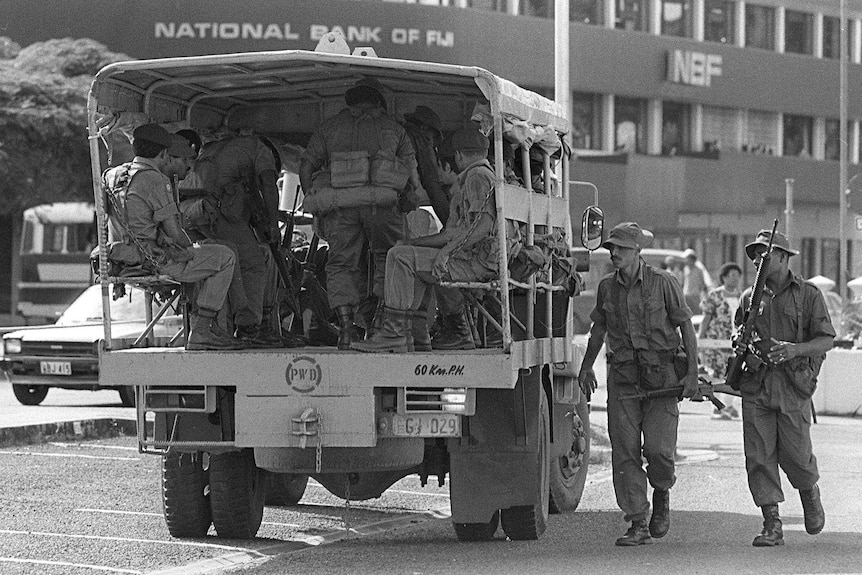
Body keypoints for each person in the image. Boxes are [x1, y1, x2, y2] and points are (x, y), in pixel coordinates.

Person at [577, 222, 699, 547]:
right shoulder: (606, 288)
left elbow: (686, 326)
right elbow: (598, 331)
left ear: (637, 251)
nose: (614, 253)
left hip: (662, 377)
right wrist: (587, 367)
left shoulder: (664, 283)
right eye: (611, 248)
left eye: (621, 248)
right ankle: (637, 521)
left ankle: (661, 491)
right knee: (625, 453)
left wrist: (692, 374)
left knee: (659, 451)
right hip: (624, 380)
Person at [351, 125, 497, 353]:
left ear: (458, 155)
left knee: (399, 258)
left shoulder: (477, 177)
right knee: (405, 252)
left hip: (473, 263)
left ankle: (395, 333)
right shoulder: (481, 176)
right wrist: (413, 243)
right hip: (472, 258)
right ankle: (417, 335)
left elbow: (482, 227)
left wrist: (446, 252)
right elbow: (452, 233)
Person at [299, 78, 418, 349]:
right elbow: (412, 173)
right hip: (383, 207)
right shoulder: (393, 129)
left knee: (341, 263)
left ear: (348, 102)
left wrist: (315, 201)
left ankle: (345, 331)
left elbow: (306, 167)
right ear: (377, 102)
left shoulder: (329, 128)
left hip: (340, 207)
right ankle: (378, 327)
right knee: (388, 260)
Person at [735, 229, 833, 547]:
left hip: (793, 386)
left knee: (797, 457)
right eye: (754, 254)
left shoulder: (809, 294)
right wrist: (744, 350)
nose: (756, 260)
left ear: (782, 257)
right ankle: (771, 523)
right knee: (759, 456)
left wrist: (794, 349)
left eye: (763, 253)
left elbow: (826, 339)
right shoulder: (748, 298)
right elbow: (739, 337)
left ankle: (809, 492)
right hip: (757, 386)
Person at [106, 123, 242, 350]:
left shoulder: (112, 175)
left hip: (122, 258)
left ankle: (206, 328)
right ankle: (201, 332)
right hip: (154, 260)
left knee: (207, 253)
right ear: (163, 153)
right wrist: (190, 250)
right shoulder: (154, 179)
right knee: (225, 256)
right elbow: (175, 233)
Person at [180, 132, 284, 347]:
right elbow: (268, 187)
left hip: (190, 213)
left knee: (225, 263)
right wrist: (273, 224)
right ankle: (251, 328)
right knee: (253, 263)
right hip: (215, 211)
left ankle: (220, 328)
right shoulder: (261, 150)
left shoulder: (216, 147)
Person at [698, 261, 743, 419]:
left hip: (735, 342)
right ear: (723, 277)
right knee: (718, 373)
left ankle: (729, 405)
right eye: (731, 276)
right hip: (716, 341)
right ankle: (717, 407)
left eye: (737, 276)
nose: (735, 279)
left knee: (733, 373)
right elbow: (706, 318)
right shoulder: (714, 296)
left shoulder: (741, 296)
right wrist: (700, 340)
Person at [682, 248, 711, 313]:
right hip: (686, 295)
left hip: (695, 295)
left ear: (692, 259)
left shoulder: (699, 270)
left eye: (687, 258)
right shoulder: (686, 269)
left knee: (695, 313)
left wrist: (704, 294)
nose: (686, 260)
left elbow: (703, 283)